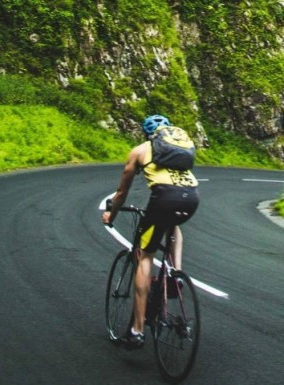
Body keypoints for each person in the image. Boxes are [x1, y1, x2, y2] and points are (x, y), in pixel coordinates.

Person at [102, 114, 200, 349]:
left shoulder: (139, 150)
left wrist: (110, 216)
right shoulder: (178, 151)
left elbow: (121, 193)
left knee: (145, 255)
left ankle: (136, 331)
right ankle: (175, 274)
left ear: (146, 134)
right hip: (192, 198)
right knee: (171, 224)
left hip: (165, 199)